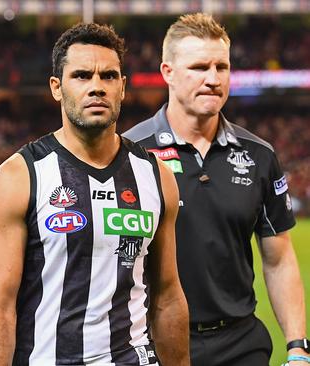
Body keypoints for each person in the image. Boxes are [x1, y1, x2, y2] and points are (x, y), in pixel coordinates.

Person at [0, 22, 189, 365]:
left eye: (108, 76)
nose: (97, 87)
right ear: (56, 87)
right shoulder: (19, 177)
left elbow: (167, 296)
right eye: (81, 76)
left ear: (122, 87)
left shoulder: (156, 176)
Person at [123, 13, 308, 366]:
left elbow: (279, 257)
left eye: (221, 67)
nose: (212, 79)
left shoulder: (259, 155)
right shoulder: (131, 153)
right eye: (198, 67)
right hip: (155, 341)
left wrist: (298, 347)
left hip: (241, 343)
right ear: (167, 73)